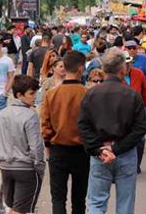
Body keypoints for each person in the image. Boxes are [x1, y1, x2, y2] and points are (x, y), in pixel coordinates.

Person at [78, 49, 146, 214]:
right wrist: (116, 148)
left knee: (96, 202)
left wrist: (99, 149)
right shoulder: (131, 95)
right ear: (123, 69)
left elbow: (83, 126)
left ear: (103, 68)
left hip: (100, 153)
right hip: (125, 152)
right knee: (125, 203)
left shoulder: (91, 94)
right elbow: (139, 129)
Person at [0, 75, 44, 214]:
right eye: (31, 93)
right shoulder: (30, 115)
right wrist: (39, 167)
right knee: (21, 210)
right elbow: (36, 146)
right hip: (26, 168)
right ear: (19, 95)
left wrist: (2, 158)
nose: (34, 97)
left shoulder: (2, 114)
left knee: (13, 208)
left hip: (6, 168)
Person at [41, 51, 89, 214]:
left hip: (58, 150)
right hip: (81, 151)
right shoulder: (86, 93)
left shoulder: (51, 94)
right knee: (79, 199)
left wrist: (48, 144)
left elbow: (45, 124)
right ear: (81, 69)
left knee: (58, 199)